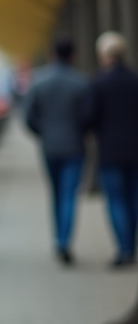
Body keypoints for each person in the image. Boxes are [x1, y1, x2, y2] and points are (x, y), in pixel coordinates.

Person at [24, 36, 89, 265]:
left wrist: (43, 133)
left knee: (56, 193)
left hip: (50, 147)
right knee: (69, 194)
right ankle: (64, 241)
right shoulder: (81, 82)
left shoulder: (39, 81)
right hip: (74, 147)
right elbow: (89, 116)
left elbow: (28, 116)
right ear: (73, 55)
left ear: (52, 54)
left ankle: (58, 240)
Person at [83, 31, 138, 267]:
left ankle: (124, 249)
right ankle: (131, 245)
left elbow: (88, 117)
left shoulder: (98, 83)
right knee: (133, 199)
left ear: (104, 56)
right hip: (135, 151)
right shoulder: (135, 80)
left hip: (110, 152)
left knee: (116, 200)